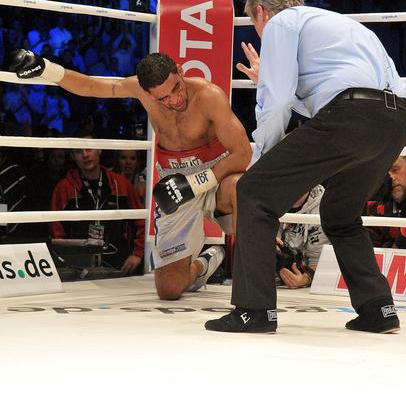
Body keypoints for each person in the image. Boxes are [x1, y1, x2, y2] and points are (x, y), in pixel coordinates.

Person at [204, 0, 406, 334]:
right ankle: (378, 308)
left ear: (261, 13)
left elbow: (280, 103)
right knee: (339, 213)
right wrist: (269, 79)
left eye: (255, 25)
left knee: (252, 191)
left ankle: (254, 310)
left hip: (352, 116)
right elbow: (331, 96)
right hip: (395, 120)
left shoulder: (281, 23)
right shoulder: (339, 25)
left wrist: (262, 159)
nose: (260, 34)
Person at [10, 51, 251, 299]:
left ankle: (251, 291)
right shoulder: (140, 90)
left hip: (215, 176)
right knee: (168, 290)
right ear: (147, 93)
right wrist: (47, 68)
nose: (175, 99)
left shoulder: (208, 96)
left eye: (176, 88)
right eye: (163, 98)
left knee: (241, 187)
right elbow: (90, 86)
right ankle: (205, 263)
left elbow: (243, 153)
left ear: (180, 71)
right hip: (174, 186)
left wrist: (195, 183)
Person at [50, 132, 145, 275]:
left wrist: (138, 254)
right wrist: (65, 262)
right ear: (73, 156)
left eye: (89, 149)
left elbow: (142, 220)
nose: (85, 155)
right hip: (79, 268)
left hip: (119, 264)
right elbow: (56, 231)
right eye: (78, 152)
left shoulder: (121, 184)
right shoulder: (64, 188)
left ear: (99, 149)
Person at [276, 186, 329, 289]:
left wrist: (304, 279)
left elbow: (319, 261)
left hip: (306, 285)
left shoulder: (324, 205)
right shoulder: (264, 196)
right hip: (266, 278)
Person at [366, 155, 406, 249]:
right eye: (385, 174)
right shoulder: (379, 197)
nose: (392, 178)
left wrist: (395, 250)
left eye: (395, 170)